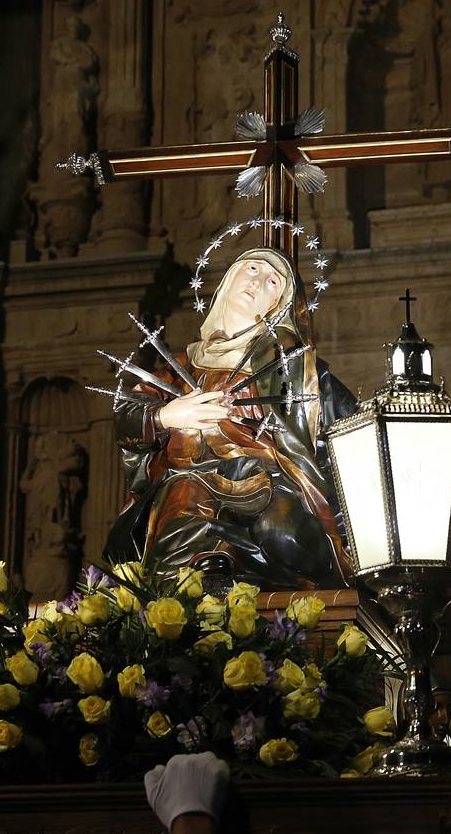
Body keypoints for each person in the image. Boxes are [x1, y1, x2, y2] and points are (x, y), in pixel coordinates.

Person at [104, 247, 356, 590]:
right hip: (189, 478)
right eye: (251, 268)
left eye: (272, 281)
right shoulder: (181, 368)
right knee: (182, 515)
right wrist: (169, 414)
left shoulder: (296, 372)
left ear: (278, 306)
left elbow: (353, 431)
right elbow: (127, 415)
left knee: (283, 536)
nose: (257, 279)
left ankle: (237, 563)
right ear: (228, 280)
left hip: (266, 479)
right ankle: (216, 569)